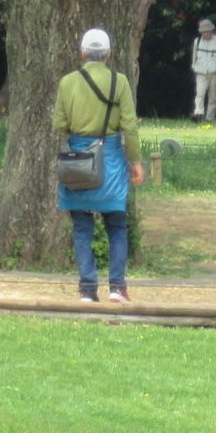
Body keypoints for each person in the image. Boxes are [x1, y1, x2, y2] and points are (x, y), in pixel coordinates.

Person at [54, 27, 145, 304]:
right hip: (112, 159)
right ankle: (117, 287)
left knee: (82, 227)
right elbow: (129, 126)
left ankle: (87, 289)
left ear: (82, 53)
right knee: (116, 225)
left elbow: (59, 124)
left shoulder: (68, 82)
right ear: (108, 54)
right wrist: (136, 161)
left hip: (79, 159)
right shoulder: (120, 82)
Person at [191, 18, 216, 122]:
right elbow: (194, 57)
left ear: (211, 31)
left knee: (212, 96)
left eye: (207, 32)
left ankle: (209, 118)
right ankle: (198, 114)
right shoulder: (197, 42)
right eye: (203, 32)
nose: (205, 34)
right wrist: (194, 66)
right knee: (200, 93)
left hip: (215, 73)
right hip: (201, 72)